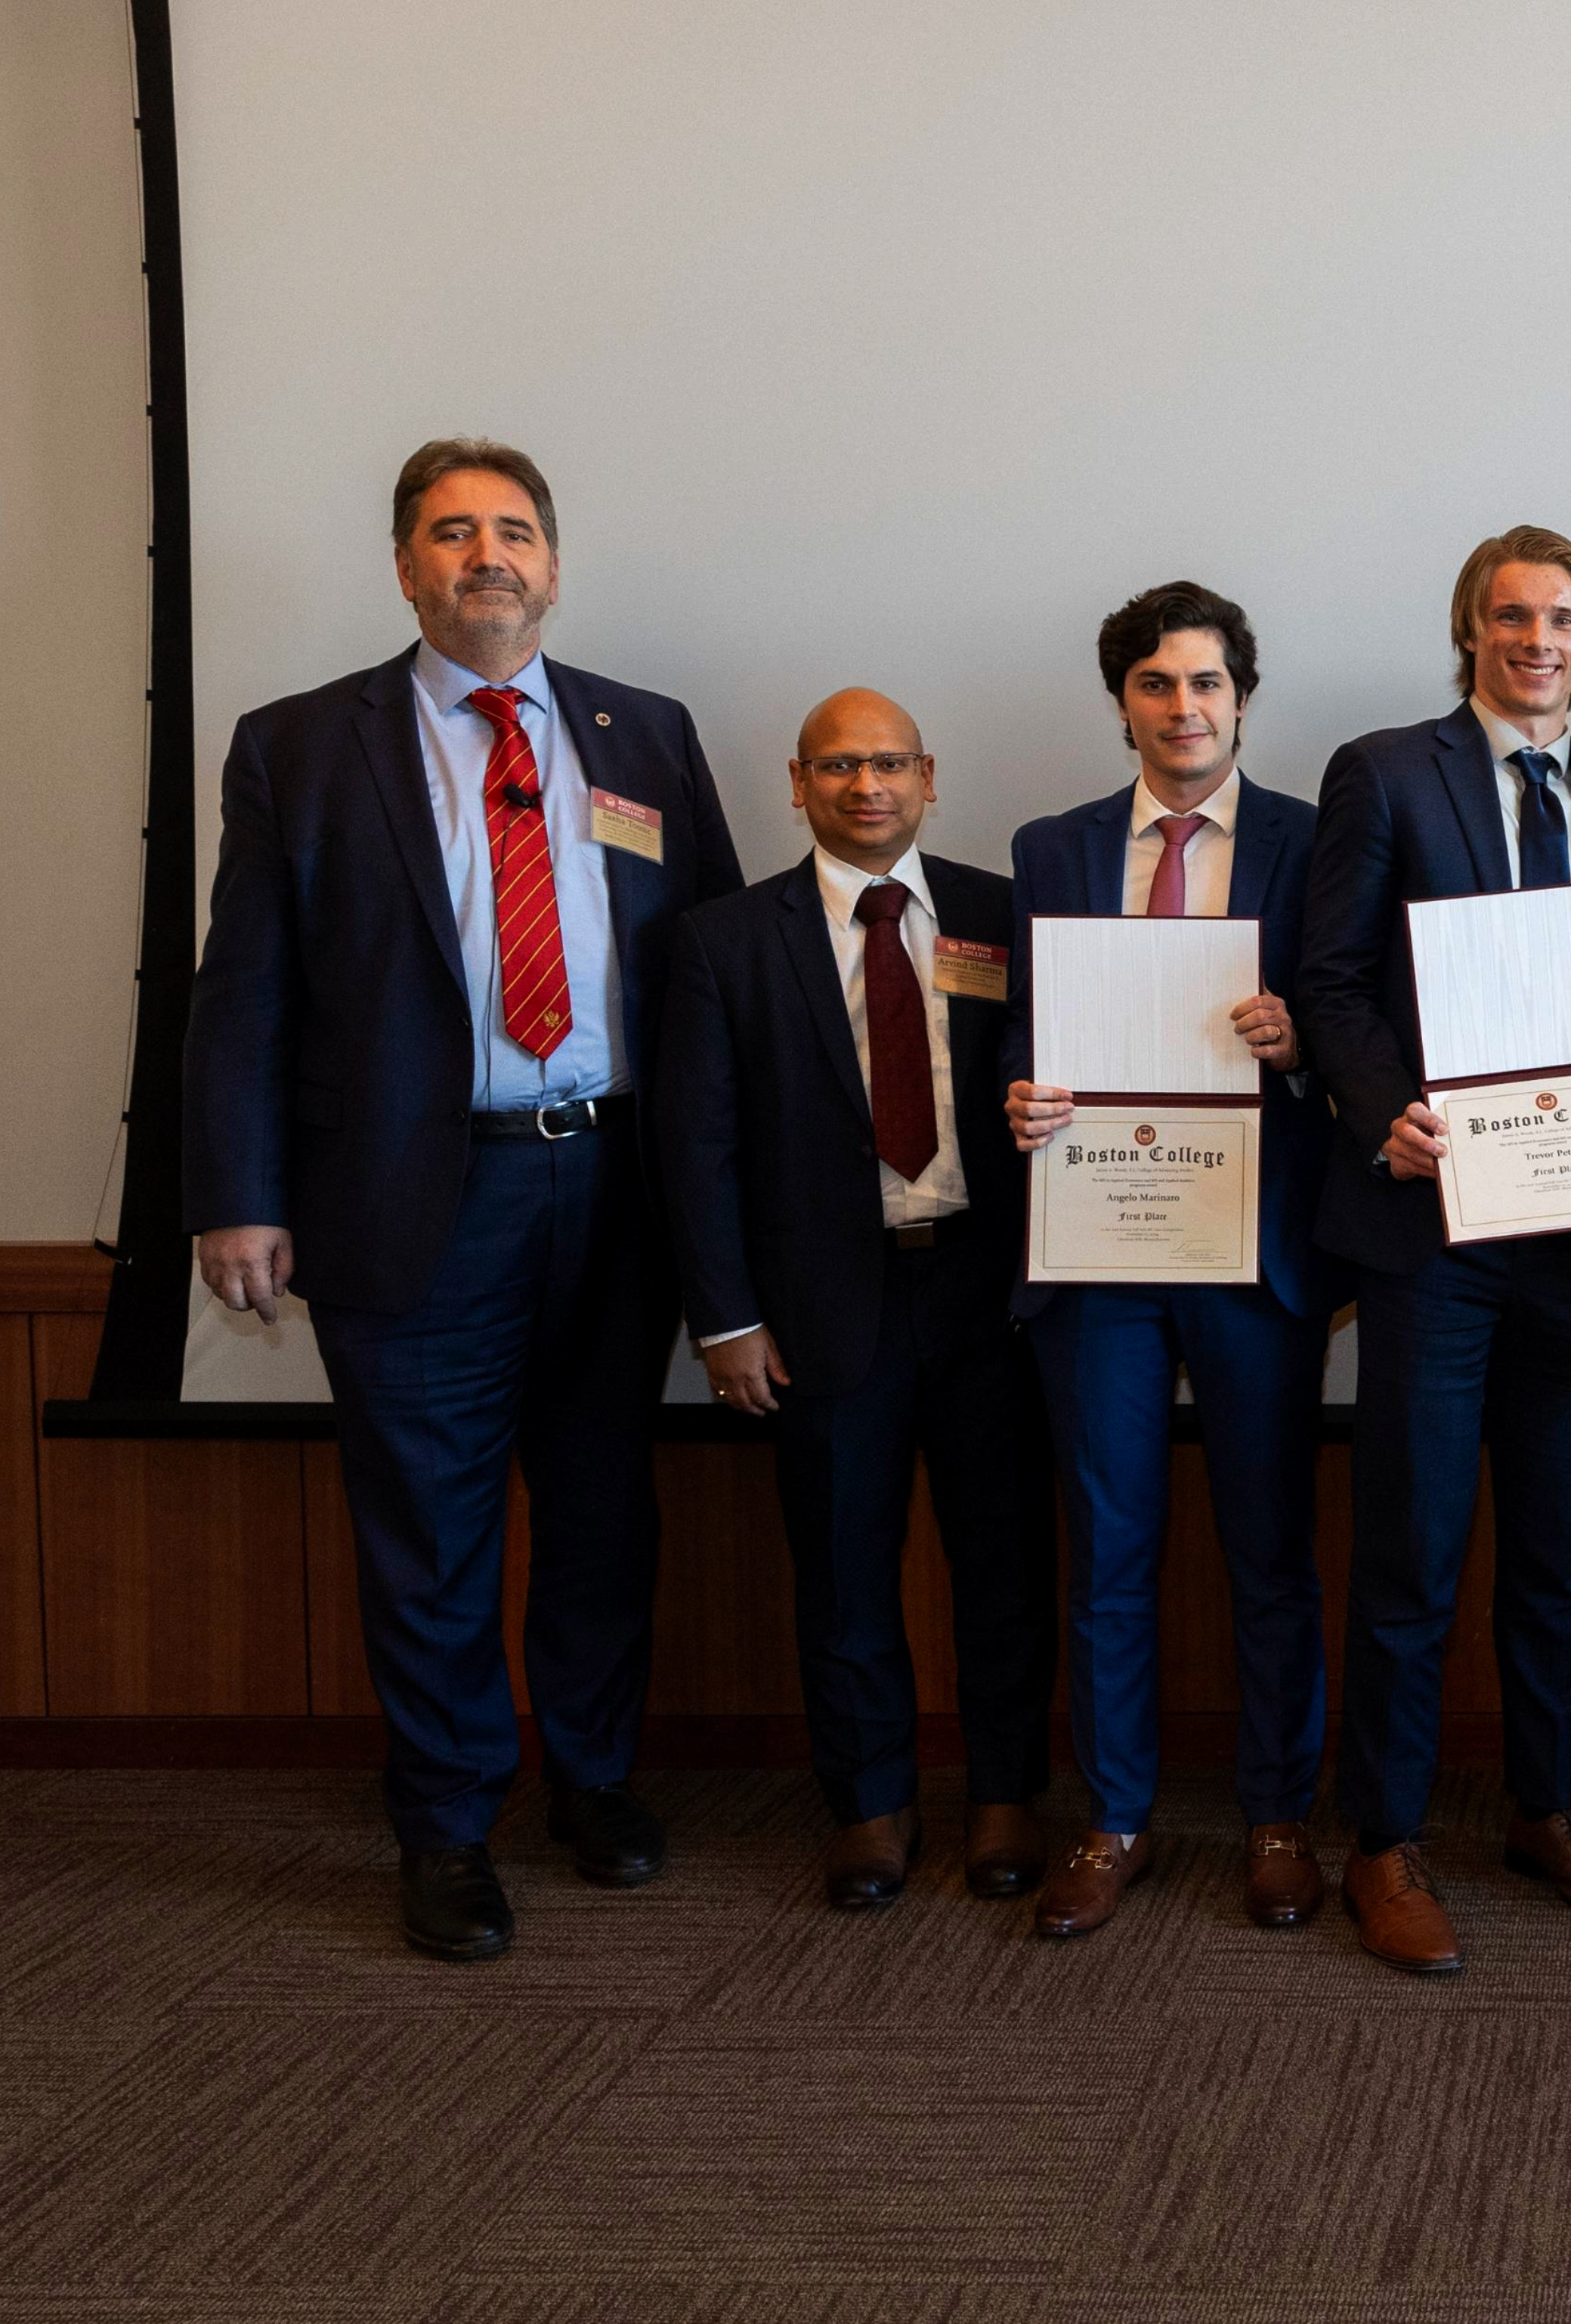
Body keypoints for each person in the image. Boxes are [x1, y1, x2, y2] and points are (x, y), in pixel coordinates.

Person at [185, 437, 742, 1960]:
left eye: (512, 530)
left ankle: (596, 1782)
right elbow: (245, 991)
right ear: (405, 566)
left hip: (615, 1187)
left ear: (554, 563)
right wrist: (235, 1193)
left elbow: (708, 981)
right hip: (417, 1196)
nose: (485, 554)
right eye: (451, 532)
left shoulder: (648, 733)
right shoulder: (300, 746)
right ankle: (444, 1825)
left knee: (600, 1510)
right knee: (428, 1531)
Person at [1299, 525, 1571, 1973]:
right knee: (1409, 1547)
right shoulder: (1388, 771)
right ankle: (1385, 1843)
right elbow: (1328, 977)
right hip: (1432, 1233)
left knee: (1553, 1555)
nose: (1538, 640)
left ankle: (1544, 1810)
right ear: (1469, 630)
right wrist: (1380, 1106)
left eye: (1564, 618)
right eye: (1511, 617)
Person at [660, 689, 1059, 1911]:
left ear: (929, 777)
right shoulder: (724, 941)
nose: (865, 785)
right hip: (826, 1309)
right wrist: (725, 1319)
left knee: (1005, 1562)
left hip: (988, 1298)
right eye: (838, 766)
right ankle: (871, 1807)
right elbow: (696, 1146)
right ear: (796, 783)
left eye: (888, 763)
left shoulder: (1005, 915)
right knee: (841, 1567)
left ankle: (1004, 1797)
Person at [1000, 583, 1339, 1939]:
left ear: (1242, 698)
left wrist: (1301, 1042)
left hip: (1252, 1248)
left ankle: (1274, 1818)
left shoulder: (1318, 845)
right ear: (1123, 703)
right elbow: (1027, 1025)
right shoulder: (1052, 849)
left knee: (1270, 1551)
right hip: (1098, 1249)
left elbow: (1366, 1018)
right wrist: (1021, 1094)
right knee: (1110, 1551)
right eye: (1155, 685)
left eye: (1205, 684)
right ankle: (1115, 1818)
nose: (1182, 708)